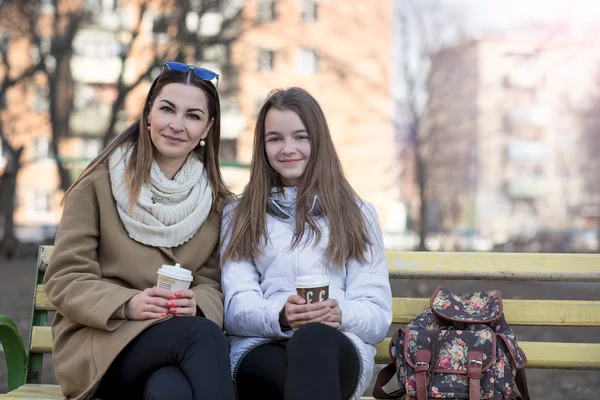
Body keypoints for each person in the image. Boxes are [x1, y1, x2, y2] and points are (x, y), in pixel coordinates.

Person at [43, 61, 236, 400]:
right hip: (103, 343)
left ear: (207, 128)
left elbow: (212, 281)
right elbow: (65, 279)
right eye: (167, 109)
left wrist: (198, 304)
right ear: (149, 113)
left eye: (193, 116)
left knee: (171, 391)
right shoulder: (96, 186)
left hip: (174, 342)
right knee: (202, 336)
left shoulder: (217, 203)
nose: (177, 125)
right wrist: (128, 303)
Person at [220, 87, 393, 400]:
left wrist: (340, 314)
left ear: (318, 142)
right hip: (262, 350)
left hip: (335, 348)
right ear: (263, 146)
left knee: (313, 341)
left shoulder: (356, 213)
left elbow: (376, 314)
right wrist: (281, 315)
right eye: (275, 138)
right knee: (296, 370)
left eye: (300, 137)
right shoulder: (239, 214)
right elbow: (235, 307)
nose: (288, 148)